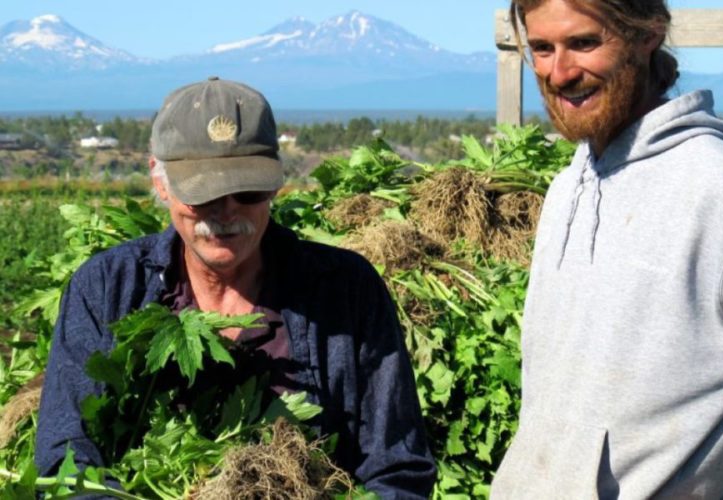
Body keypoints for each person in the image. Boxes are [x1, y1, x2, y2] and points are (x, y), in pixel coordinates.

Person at [35, 77, 436, 498]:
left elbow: (397, 469)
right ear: (160, 180)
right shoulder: (107, 289)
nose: (226, 211)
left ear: (276, 183)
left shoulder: (347, 291)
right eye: (203, 194)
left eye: (247, 191)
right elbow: (67, 460)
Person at [491, 1, 723, 498]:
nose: (559, 72)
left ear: (648, 35)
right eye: (542, 48)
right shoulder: (568, 187)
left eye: (584, 43)